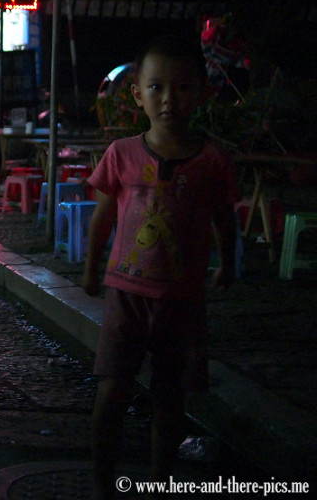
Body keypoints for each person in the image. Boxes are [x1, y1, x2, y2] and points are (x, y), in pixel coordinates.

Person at [82, 35, 237, 500]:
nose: (170, 99)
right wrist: (91, 270)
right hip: (125, 295)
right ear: (138, 95)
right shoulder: (122, 154)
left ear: (203, 92)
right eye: (156, 87)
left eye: (184, 88)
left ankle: (159, 481)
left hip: (182, 299)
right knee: (111, 393)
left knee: (171, 399)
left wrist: (227, 263)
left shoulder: (212, 161)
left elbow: (224, 219)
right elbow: (103, 218)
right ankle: (101, 484)